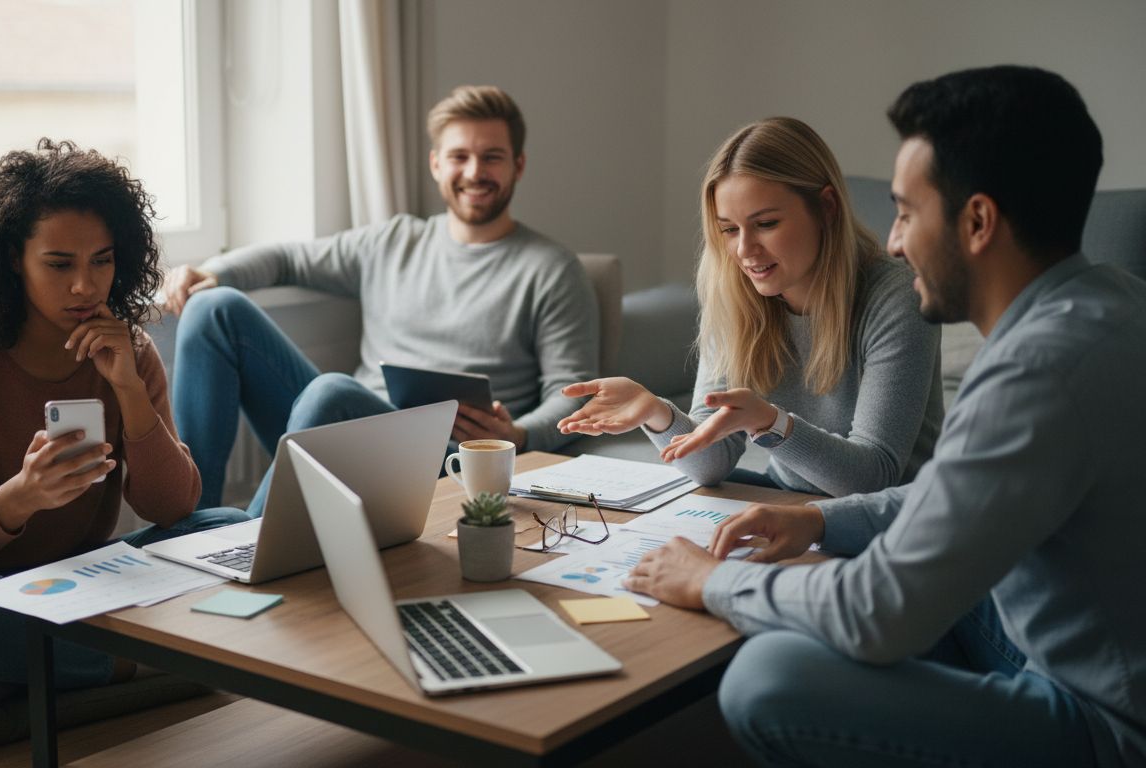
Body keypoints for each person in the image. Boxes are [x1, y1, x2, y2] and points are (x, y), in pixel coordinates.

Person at [626, 66, 1146, 767]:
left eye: (906, 211)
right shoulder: (1109, 303)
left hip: (1099, 721)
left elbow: (879, 614)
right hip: (1049, 630)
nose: (895, 240)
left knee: (764, 678)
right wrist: (815, 520)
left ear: (978, 221)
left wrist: (713, 582)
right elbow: (949, 503)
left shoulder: (1034, 373)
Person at [0, 140, 248, 698]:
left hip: (77, 582)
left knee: (228, 527)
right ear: (13, 259)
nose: (85, 285)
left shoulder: (131, 351)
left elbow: (174, 508)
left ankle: (31, 671)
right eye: (59, 264)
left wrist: (127, 387)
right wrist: (21, 496)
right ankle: (130, 667)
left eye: (101, 260)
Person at [163, 85, 599, 512]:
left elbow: (574, 392)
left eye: (492, 157)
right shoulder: (393, 241)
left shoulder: (552, 269)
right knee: (211, 307)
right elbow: (287, 258)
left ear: (518, 165)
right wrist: (213, 272)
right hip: (333, 427)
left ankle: (238, 546)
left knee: (331, 393)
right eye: (458, 157)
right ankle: (195, 515)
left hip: (445, 460)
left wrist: (517, 434)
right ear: (435, 164)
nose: (473, 172)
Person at [558, 117, 942, 498]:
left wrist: (770, 423)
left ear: (826, 208)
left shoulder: (897, 297)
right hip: (791, 506)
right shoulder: (735, 294)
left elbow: (874, 477)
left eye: (766, 223)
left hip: (893, 523)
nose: (744, 251)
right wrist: (656, 413)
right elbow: (710, 466)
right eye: (729, 229)